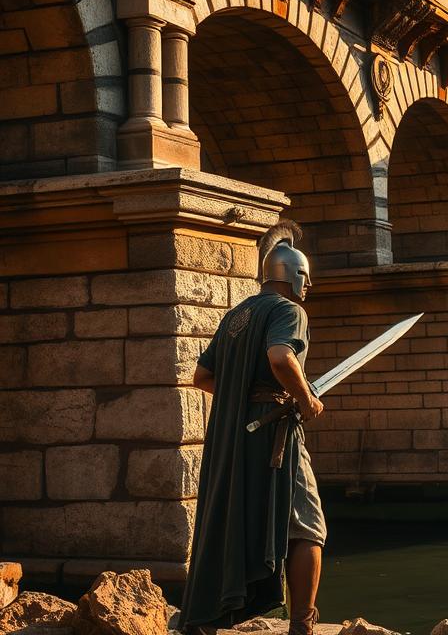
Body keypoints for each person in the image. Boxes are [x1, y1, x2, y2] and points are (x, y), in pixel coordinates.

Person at [180, 220, 326, 635]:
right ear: (295, 275)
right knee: (308, 525)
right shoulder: (288, 310)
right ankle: (302, 626)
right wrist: (303, 399)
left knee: (241, 516)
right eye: (306, 279)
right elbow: (281, 357)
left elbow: (202, 376)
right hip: (275, 438)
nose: (308, 288)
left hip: (237, 438)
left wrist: (244, 397)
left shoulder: (236, 315)